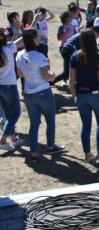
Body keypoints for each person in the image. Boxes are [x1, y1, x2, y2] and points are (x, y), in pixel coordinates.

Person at [16, 29, 66, 163]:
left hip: (28, 94)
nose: (40, 38)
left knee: (34, 123)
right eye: (37, 37)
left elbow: (20, 74)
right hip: (43, 93)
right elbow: (46, 76)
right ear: (32, 39)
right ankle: (50, 146)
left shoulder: (19, 55)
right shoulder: (39, 56)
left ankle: (33, 152)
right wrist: (53, 75)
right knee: (50, 120)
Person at [69, 29, 99, 164]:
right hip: (95, 95)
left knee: (85, 125)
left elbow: (71, 80)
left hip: (81, 95)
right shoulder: (98, 57)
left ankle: (87, 154)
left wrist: (73, 94)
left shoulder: (75, 56)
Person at [0, 28, 25, 151]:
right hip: (9, 86)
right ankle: (2, 140)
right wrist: (34, 22)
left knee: (8, 114)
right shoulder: (8, 48)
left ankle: (14, 139)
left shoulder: (7, 48)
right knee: (15, 114)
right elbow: (24, 37)